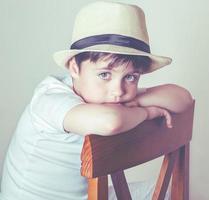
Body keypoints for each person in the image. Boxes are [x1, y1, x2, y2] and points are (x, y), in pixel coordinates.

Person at [0, 1, 193, 200]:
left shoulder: (108, 98)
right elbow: (111, 122)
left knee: (167, 191)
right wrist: (148, 111)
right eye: (104, 75)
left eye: (130, 77)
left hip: (86, 196)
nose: (118, 91)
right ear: (74, 68)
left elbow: (183, 98)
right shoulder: (49, 99)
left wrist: (137, 100)